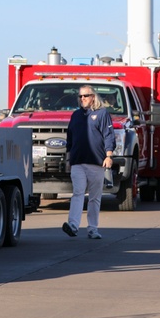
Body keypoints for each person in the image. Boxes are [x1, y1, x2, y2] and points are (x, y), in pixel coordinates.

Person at [63, 86, 115, 240]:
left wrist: (109, 156)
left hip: (96, 162)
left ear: (93, 97)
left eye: (85, 96)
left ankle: (93, 228)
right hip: (78, 162)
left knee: (94, 197)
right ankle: (73, 225)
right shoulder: (76, 115)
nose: (82, 98)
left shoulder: (102, 113)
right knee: (78, 193)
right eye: (80, 96)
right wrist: (68, 159)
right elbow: (70, 138)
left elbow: (109, 135)